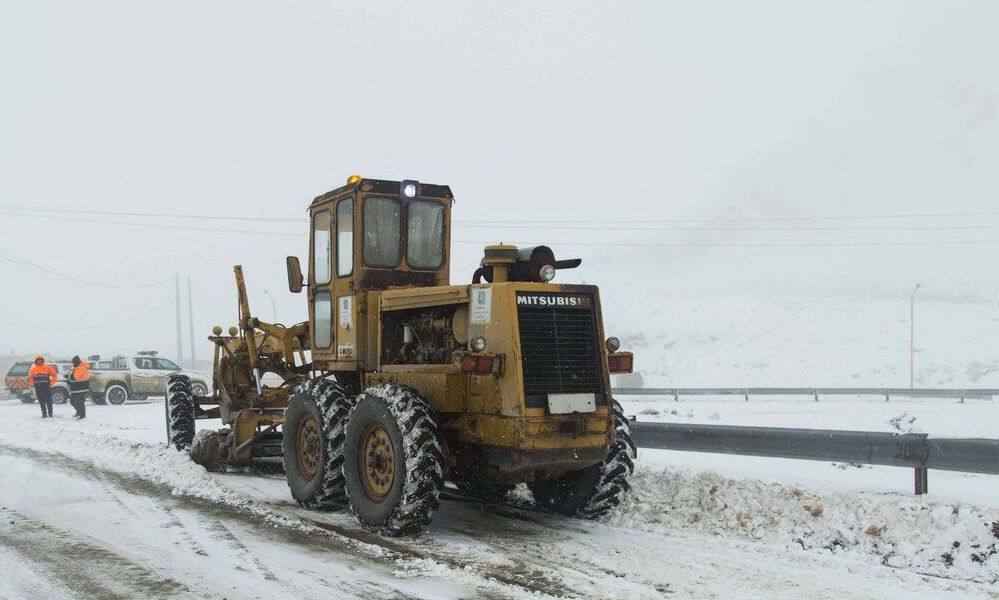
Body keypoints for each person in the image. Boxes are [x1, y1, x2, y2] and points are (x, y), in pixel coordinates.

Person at [68, 355, 89, 419]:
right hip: (76, 388)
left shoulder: (80, 368)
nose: (73, 363)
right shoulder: (77, 368)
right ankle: (79, 412)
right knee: (73, 401)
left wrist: (70, 378)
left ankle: (82, 415)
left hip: (80, 388)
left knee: (79, 402)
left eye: (74, 362)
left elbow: (76, 377)